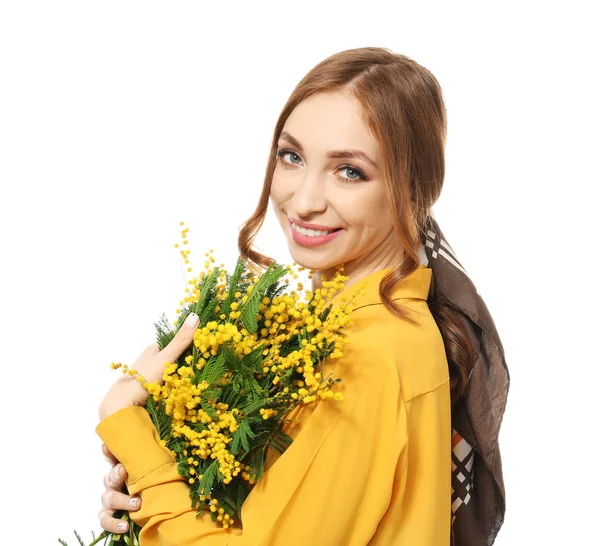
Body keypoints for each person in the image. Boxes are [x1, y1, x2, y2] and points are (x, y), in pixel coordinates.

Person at [95, 47, 509, 545]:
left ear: (413, 191)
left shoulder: (370, 357)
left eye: (349, 171)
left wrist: (126, 423)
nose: (304, 201)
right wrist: (149, 493)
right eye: (291, 156)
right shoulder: (343, 329)